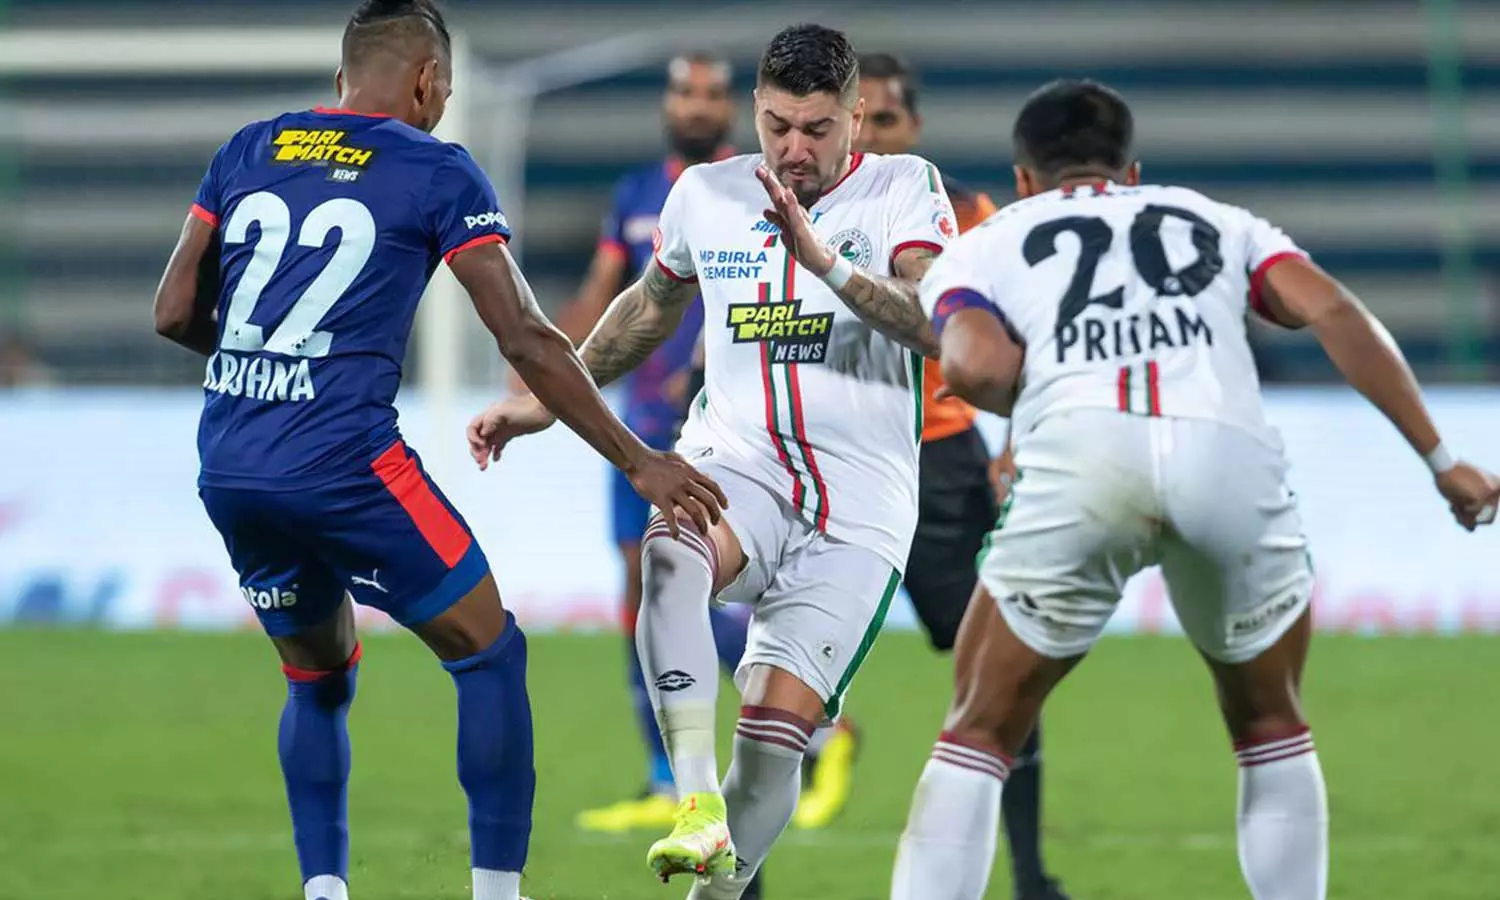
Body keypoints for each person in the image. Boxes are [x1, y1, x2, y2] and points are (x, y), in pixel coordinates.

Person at [151, 4, 724, 900]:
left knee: (315, 677)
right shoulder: (434, 166)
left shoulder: (249, 147)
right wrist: (637, 459)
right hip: (346, 463)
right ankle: (496, 894)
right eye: (446, 90)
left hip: (231, 460)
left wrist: (269, 367)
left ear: (342, 77)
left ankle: (324, 890)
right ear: (427, 82)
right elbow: (526, 337)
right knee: (490, 652)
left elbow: (173, 312)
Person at [893, 77, 1500, 900]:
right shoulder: (1217, 220)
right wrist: (1441, 459)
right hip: (1225, 454)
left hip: (1083, 458)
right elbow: (1335, 313)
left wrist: (1042, 390)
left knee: (978, 733)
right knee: (1271, 725)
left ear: (1025, 177)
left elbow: (972, 366)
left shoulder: (985, 241)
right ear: (1133, 172)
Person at [469, 23, 954, 898]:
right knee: (669, 551)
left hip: (860, 508)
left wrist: (828, 266)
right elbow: (646, 311)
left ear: (854, 118)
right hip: (740, 463)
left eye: (817, 129)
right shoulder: (705, 194)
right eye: (777, 126)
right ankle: (693, 798)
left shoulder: (903, 189)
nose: (794, 149)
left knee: (771, 746)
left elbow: (935, 322)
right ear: (755, 110)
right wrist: (544, 403)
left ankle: (714, 886)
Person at [853, 53, 1067, 899]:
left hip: (941, 463)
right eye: (858, 119)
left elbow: (1033, 333)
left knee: (999, 673)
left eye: (885, 120)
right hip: (831, 456)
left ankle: (1030, 877)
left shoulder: (975, 217)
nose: (871, 137)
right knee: (779, 673)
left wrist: (1014, 441)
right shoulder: (797, 212)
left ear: (915, 127)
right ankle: (737, 881)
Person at [546, 53, 761, 848]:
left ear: (730, 106)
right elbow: (604, 292)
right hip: (637, 424)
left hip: (718, 419)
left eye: (711, 94)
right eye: (685, 93)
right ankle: (667, 775)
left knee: (715, 584)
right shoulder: (638, 194)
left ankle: (808, 730)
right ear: (668, 104)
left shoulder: (751, 189)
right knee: (641, 587)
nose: (697, 106)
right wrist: (544, 357)